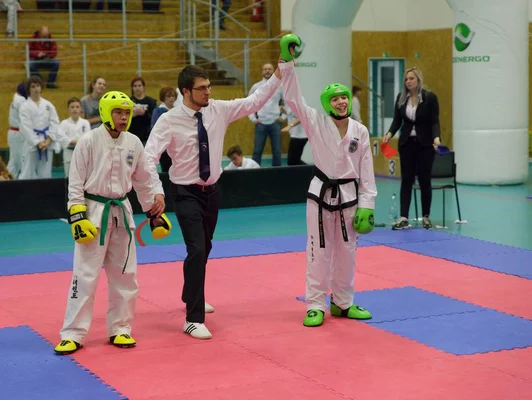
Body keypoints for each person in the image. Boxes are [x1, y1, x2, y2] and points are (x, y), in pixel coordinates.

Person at [145, 64, 283, 340]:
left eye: (209, 86)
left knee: (205, 246)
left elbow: (254, 101)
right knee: (196, 248)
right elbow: (149, 157)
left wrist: (279, 73)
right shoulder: (168, 120)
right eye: (202, 88)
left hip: (212, 190)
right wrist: (155, 192)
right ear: (185, 91)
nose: (208, 91)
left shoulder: (218, 109)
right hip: (184, 191)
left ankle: (190, 293)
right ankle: (192, 318)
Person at [54, 91, 168, 355]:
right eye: (118, 112)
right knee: (85, 275)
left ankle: (120, 328)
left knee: (126, 275)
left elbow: (142, 180)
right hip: (93, 212)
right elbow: (75, 182)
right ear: (106, 113)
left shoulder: (134, 142)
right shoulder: (88, 140)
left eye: (127, 113)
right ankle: (72, 333)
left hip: (122, 211)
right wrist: (77, 216)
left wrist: (153, 211)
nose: (123, 117)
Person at [278, 34, 377, 327]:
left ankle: (343, 302)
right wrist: (287, 62)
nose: (341, 102)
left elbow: (368, 173)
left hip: (349, 194)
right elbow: (293, 97)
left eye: (344, 97)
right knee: (317, 250)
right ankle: (315, 304)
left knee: (347, 253)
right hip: (320, 193)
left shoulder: (360, 130)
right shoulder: (315, 121)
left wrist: (368, 205)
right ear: (327, 103)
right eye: (335, 98)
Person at [382, 67, 441, 230]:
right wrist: (389, 133)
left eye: (411, 78)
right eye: (406, 79)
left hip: (425, 144)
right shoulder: (401, 98)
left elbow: (435, 121)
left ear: (418, 80)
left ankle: (426, 216)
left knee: (424, 180)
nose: (408, 81)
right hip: (407, 144)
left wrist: (436, 138)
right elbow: (396, 120)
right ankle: (403, 217)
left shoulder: (429, 97)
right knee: (406, 179)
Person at [58, 97, 91, 178]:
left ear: (80, 109)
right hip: (69, 154)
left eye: (77, 107)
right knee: (69, 178)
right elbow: (61, 138)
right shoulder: (64, 123)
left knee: (83, 178)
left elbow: (88, 138)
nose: (75, 109)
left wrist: (75, 142)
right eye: (72, 107)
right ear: (68, 109)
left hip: (82, 154)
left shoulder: (85, 123)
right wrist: (74, 141)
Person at [6, 82, 28, 179]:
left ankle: (7, 178)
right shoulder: (21, 101)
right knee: (20, 160)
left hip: (15, 133)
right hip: (18, 134)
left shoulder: (17, 99)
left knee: (14, 160)